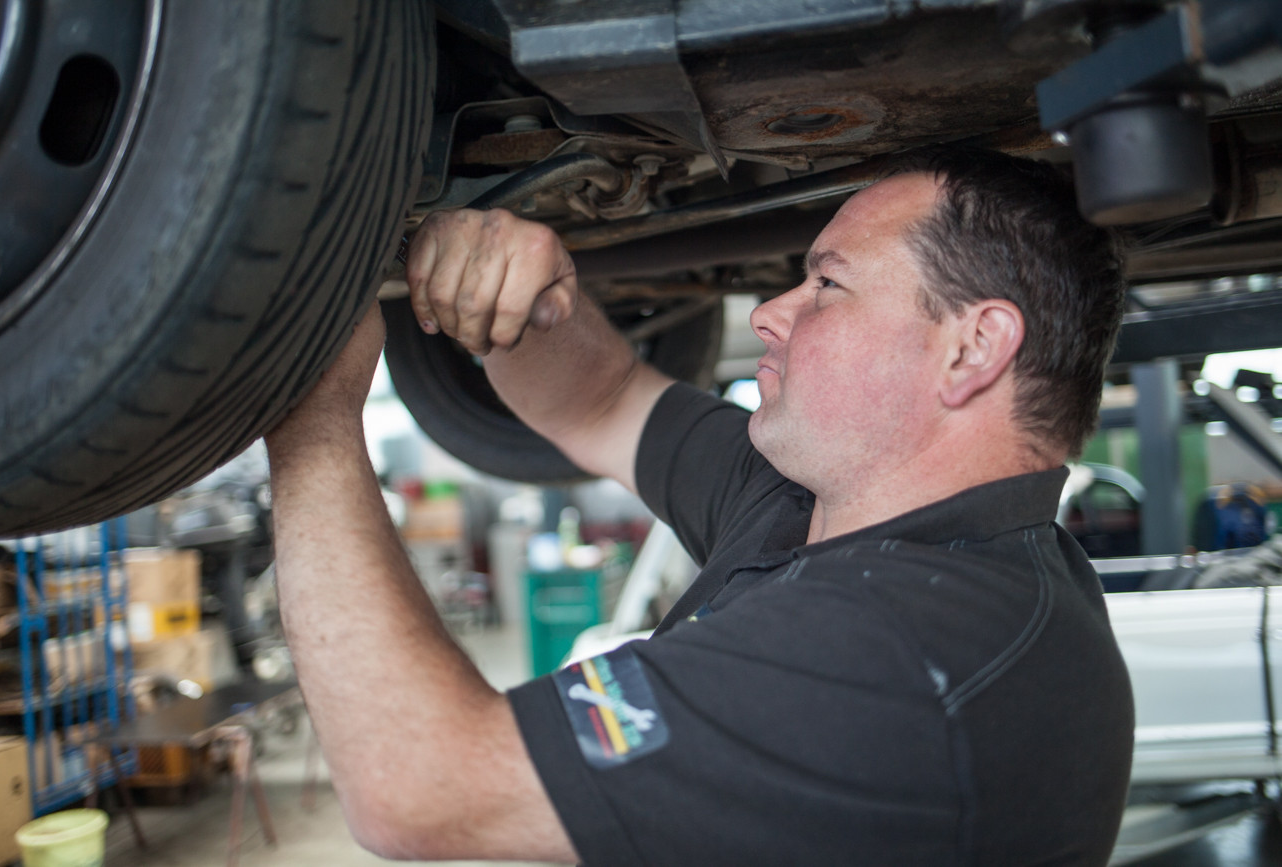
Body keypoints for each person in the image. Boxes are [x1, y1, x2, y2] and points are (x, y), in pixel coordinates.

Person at [264, 146, 1135, 865]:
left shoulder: (904, 653)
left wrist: (311, 417)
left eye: (827, 286)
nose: (767, 313)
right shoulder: (817, 505)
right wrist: (524, 292)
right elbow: (601, 399)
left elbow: (416, 784)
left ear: (972, 348)